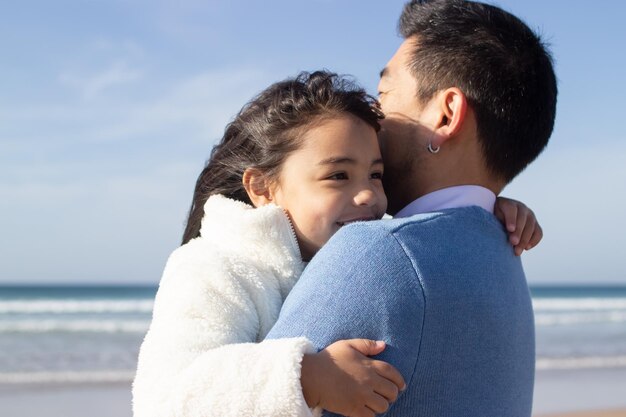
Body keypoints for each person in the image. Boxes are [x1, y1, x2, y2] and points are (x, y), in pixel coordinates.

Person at [132, 70, 541, 416]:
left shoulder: (336, 248)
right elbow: (162, 399)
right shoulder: (212, 266)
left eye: (376, 175)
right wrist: (304, 377)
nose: (367, 196)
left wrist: (486, 208)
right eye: (338, 176)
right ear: (263, 187)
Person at [266, 1, 558, 417]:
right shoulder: (503, 251)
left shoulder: (380, 253)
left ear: (446, 114)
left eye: (383, 95)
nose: (371, 122)